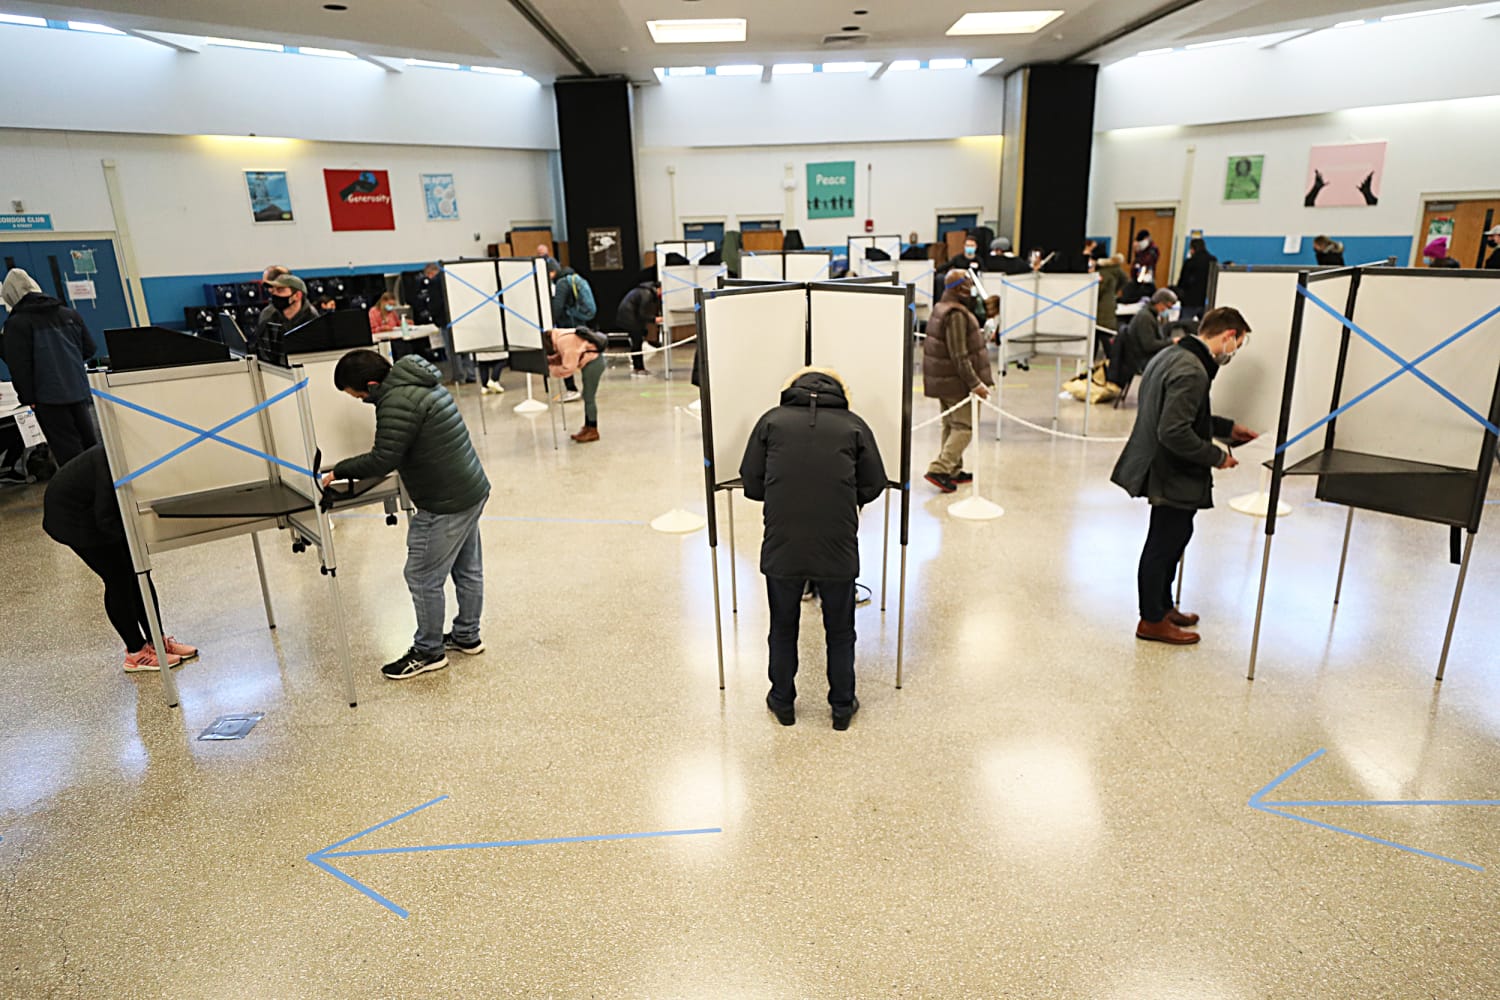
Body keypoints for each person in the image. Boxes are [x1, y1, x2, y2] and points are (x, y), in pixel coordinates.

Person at [324, 350, 490, 680]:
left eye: (358, 395)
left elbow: (383, 459)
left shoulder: (397, 401)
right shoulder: (419, 378)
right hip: (470, 488)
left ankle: (429, 652)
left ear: (371, 385)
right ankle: (467, 636)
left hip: (443, 500)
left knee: (422, 576)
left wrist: (338, 471)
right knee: (467, 569)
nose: (360, 401)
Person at [739, 367, 885, 730]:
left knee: (782, 626)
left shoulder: (770, 421)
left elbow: (752, 483)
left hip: (782, 545)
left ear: (791, 389)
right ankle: (841, 706)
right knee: (840, 629)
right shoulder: (854, 425)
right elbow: (875, 483)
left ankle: (783, 702)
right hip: (837, 545)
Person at [1110, 307, 1257, 645]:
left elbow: (1183, 415)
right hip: (1172, 471)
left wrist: (1227, 428)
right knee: (1163, 545)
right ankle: (1151, 620)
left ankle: (1162, 607)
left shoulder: (1171, 355)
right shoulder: (1193, 371)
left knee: (1174, 538)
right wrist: (1217, 456)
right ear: (1228, 337)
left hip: (1162, 467)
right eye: (1239, 343)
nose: (1234, 351)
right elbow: (1174, 431)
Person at [42, 444, 198, 671]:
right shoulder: (112, 462)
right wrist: (133, 545)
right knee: (118, 579)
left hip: (97, 512)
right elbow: (106, 518)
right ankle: (135, 653)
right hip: (72, 519)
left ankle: (157, 640)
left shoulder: (135, 455)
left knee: (140, 573)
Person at [0, 267, 100, 466]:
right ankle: (103, 489)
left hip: (48, 399)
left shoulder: (17, 324)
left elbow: (20, 366)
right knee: (91, 445)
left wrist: (28, 398)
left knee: (68, 452)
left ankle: (81, 493)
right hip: (78, 391)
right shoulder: (69, 314)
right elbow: (89, 349)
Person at [922, 269, 994, 493]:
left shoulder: (941, 307)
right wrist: (975, 383)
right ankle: (940, 469)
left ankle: (953, 469)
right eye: (969, 283)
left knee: (950, 425)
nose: (972, 287)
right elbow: (959, 355)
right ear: (961, 288)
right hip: (957, 382)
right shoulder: (956, 315)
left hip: (944, 380)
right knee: (964, 427)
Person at [1107, 288, 1179, 389]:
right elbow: (1149, 345)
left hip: (1140, 356)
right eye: (1166, 307)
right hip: (1140, 360)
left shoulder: (1150, 315)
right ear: (1159, 303)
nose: (1166, 311)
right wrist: (1171, 342)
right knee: (1175, 368)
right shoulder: (1145, 318)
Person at [548, 261, 597, 402]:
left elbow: (558, 307)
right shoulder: (574, 278)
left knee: (565, 358)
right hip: (579, 323)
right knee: (584, 357)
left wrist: (550, 321)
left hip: (567, 326)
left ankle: (571, 389)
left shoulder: (562, 283)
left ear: (552, 272)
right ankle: (588, 389)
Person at [548, 328, 606, 443]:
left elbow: (568, 368)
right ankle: (587, 426)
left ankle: (593, 430)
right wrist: (551, 360)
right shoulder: (560, 335)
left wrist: (550, 368)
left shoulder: (563, 341)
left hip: (592, 364)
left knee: (589, 397)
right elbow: (566, 354)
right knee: (587, 396)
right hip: (591, 362)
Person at [249, 274, 318, 353]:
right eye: (274, 290)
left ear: (297, 295)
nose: (274, 294)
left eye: (280, 290)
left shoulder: (312, 318)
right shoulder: (268, 314)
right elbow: (258, 347)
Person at [616, 278, 661, 376]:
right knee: (637, 343)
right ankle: (639, 368)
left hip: (628, 317)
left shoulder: (643, 290)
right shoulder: (646, 294)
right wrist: (654, 319)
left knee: (637, 342)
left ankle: (638, 367)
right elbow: (642, 313)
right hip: (630, 319)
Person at [1174, 238, 1217, 323]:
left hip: (1189, 300)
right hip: (1207, 299)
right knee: (1207, 326)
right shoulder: (1213, 261)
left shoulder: (1190, 262)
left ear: (1192, 248)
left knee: (1184, 325)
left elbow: (1183, 281)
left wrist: (1179, 293)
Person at [1095, 252, 1128, 344]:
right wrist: (1116, 292)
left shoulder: (1103, 273)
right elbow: (1126, 279)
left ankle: (1109, 356)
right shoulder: (1116, 272)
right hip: (1109, 305)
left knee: (1099, 334)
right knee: (1104, 334)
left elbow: (1098, 291)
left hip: (1100, 307)